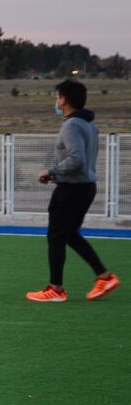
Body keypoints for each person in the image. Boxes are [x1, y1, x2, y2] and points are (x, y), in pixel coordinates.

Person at [26, 80, 120, 303]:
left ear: (65, 99)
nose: (56, 101)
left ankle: (55, 289)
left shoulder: (72, 125)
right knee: (69, 235)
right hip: (86, 187)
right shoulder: (89, 125)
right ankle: (104, 276)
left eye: (58, 97)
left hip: (71, 189)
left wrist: (51, 172)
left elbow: (76, 159)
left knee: (56, 236)